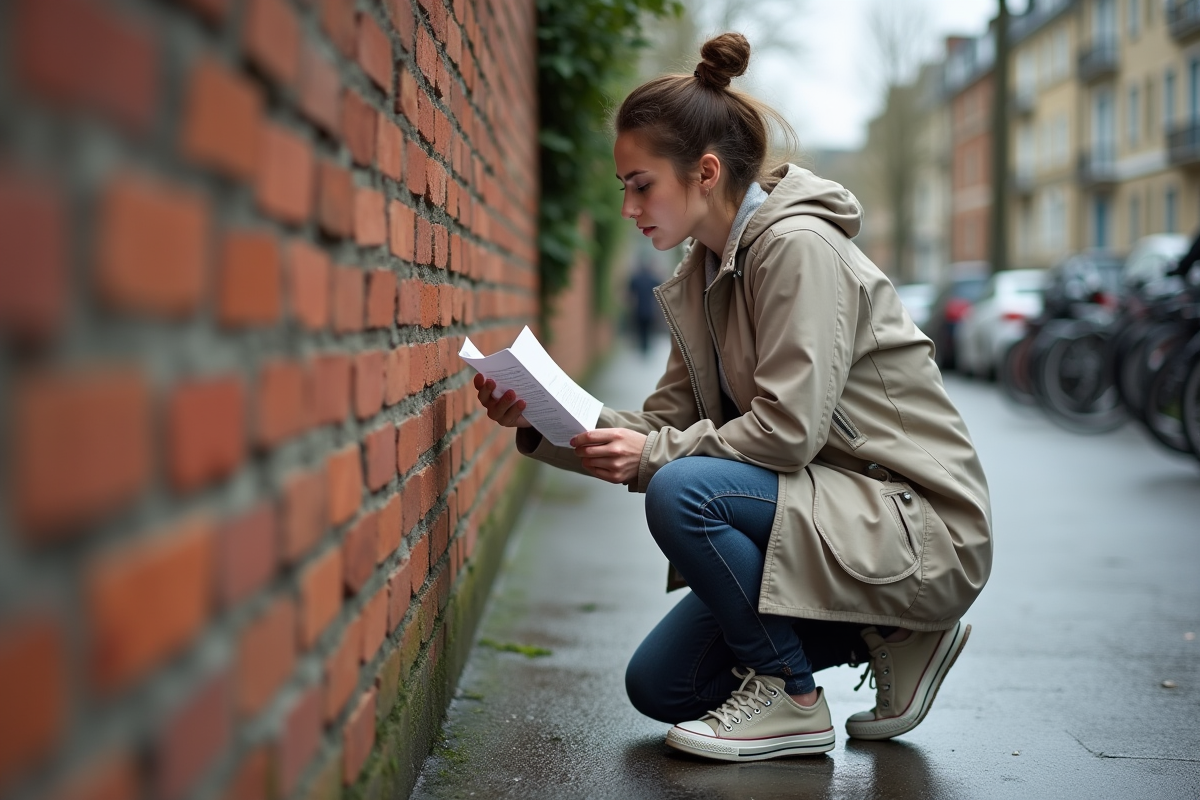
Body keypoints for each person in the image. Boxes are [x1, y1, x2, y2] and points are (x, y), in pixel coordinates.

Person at [473, 33, 992, 762]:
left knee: (684, 490)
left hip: (918, 528)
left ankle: (792, 697)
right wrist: (541, 420)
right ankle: (894, 634)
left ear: (705, 172)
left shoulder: (796, 248)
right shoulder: (704, 272)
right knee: (665, 685)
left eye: (639, 183)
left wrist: (653, 456)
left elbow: (787, 432)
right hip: (837, 518)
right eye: (623, 186)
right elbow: (660, 426)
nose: (627, 206)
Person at [627, 257, 661, 355]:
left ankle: (643, 347)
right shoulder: (652, 279)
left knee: (641, 329)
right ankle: (646, 347)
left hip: (638, 309)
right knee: (648, 329)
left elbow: (630, 294)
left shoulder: (636, 279)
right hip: (650, 310)